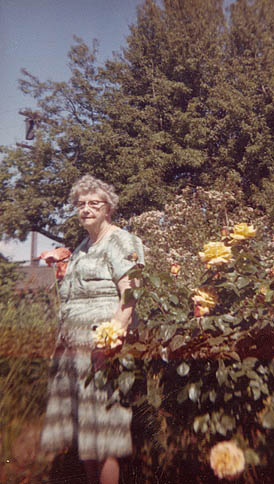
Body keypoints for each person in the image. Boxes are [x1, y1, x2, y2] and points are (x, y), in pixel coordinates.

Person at [40, 175, 144, 484]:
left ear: (108, 208)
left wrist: (115, 336)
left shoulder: (121, 240)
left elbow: (131, 292)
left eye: (94, 204)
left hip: (103, 346)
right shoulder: (84, 247)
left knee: (105, 431)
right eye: (81, 204)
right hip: (75, 347)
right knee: (86, 430)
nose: (86, 209)